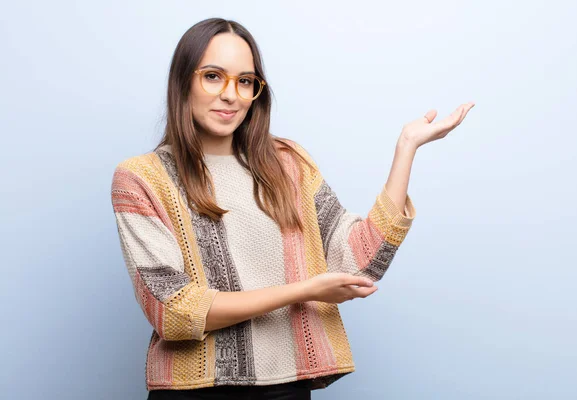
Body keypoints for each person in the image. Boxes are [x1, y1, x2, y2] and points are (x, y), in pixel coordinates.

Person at [110, 17, 474, 400]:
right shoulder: (141, 178)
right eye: (213, 76)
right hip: (195, 390)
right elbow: (174, 311)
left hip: (288, 387)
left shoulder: (288, 163)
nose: (231, 94)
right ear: (183, 80)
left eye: (245, 81)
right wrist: (302, 290)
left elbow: (359, 263)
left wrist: (406, 148)